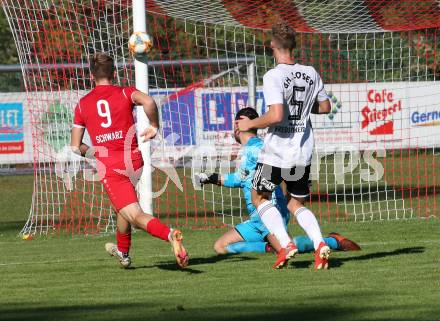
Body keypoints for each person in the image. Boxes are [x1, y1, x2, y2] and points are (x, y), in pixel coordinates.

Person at [70, 53, 188, 269]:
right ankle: (123, 252)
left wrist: (96, 154)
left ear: (91, 75)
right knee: (123, 207)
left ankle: (170, 234)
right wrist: (154, 125)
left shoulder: (83, 104)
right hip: (134, 160)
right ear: (114, 73)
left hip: (111, 165)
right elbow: (149, 101)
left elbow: (76, 146)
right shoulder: (125, 92)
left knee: (134, 214)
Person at [197, 108, 360, 257]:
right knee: (220, 246)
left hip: (268, 213)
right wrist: (210, 178)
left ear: (238, 125)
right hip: (255, 220)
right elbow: (240, 178)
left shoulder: (258, 147)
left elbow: (278, 168)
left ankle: (332, 241)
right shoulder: (249, 150)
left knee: (288, 248)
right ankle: (269, 247)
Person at [236, 21, 332, 269]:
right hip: (302, 150)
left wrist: (250, 124)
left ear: (272, 45)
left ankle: (286, 243)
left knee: (259, 197)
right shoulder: (311, 72)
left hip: (277, 152)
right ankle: (320, 243)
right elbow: (324, 107)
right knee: (295, 203)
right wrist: (298, 111)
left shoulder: (273, 75)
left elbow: (276, 115)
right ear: (293, 45)